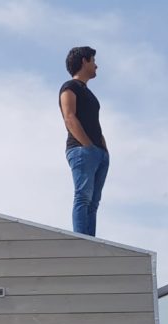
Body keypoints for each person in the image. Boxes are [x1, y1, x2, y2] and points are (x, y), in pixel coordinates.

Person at [59, 46, 109, 237]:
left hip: (99, 153)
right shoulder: (69, 87)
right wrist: (88, 146)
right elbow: (69, 117)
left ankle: (90, 240)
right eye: (93, 60)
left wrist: (103, 148)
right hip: (82, 150)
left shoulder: (89, 93)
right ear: (84, 61)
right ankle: (81, 240)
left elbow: (94, 122)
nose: (96, 65)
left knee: (93, 202)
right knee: (83, 196)